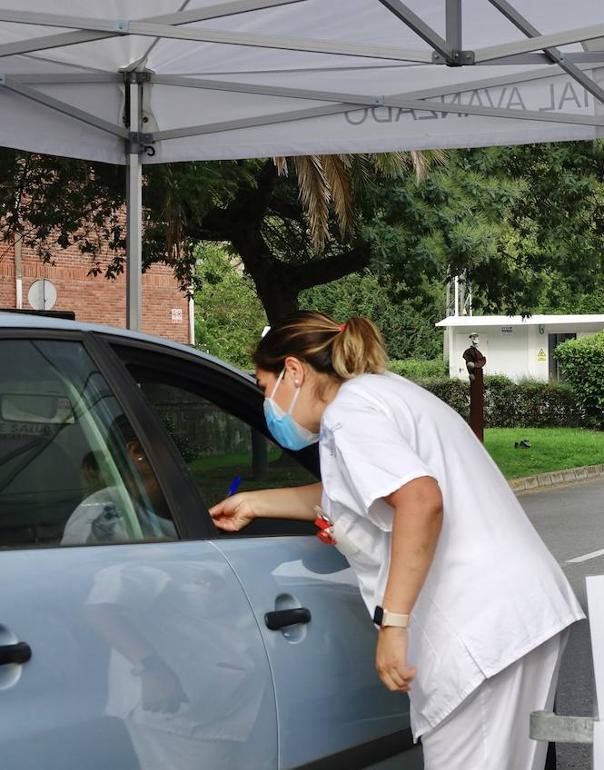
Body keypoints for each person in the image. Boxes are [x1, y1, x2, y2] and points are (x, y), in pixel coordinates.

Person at [209, 312, 583, 770]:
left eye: (264, 388)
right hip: (515, 613)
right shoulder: (381, 393)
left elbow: (421, 500)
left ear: (293, 371)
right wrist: (257, 503)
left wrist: (393, 624)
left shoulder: (350, 414)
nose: (268, 404)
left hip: (480, 630)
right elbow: (352, 493)